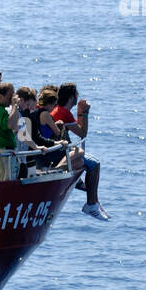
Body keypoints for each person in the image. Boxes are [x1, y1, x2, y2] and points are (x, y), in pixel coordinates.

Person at [52, 82, 108, 220]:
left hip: (62, 150)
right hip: (61, 154)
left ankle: (94, 202)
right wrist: (84, 112)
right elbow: (82, 133)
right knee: (94, 164)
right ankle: (91, 204)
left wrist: (79, 113)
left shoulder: (61, 110)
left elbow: (77, 127)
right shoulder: (63, 112)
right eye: (77, 94)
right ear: (72, 97)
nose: (78, 96)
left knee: (88, 176)